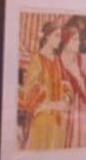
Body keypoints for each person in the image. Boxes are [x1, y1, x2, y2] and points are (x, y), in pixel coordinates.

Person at [17, 21, 68, 150]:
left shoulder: (57, 60)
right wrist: (53, 105)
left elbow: (64, 85)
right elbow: (29, 94)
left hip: (58, 120)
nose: (60, 39)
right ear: (47, 37)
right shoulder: (37, 60)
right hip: (42, 118)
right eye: (56, 35)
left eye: (60, 36)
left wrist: (65, 98)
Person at [58, 17, 86, 148]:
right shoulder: (56, 60)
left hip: (83, 107)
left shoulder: (83, 59)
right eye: (75, 39)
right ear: (65, 41)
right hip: (65, 109)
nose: (79, 43)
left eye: (78, 39)